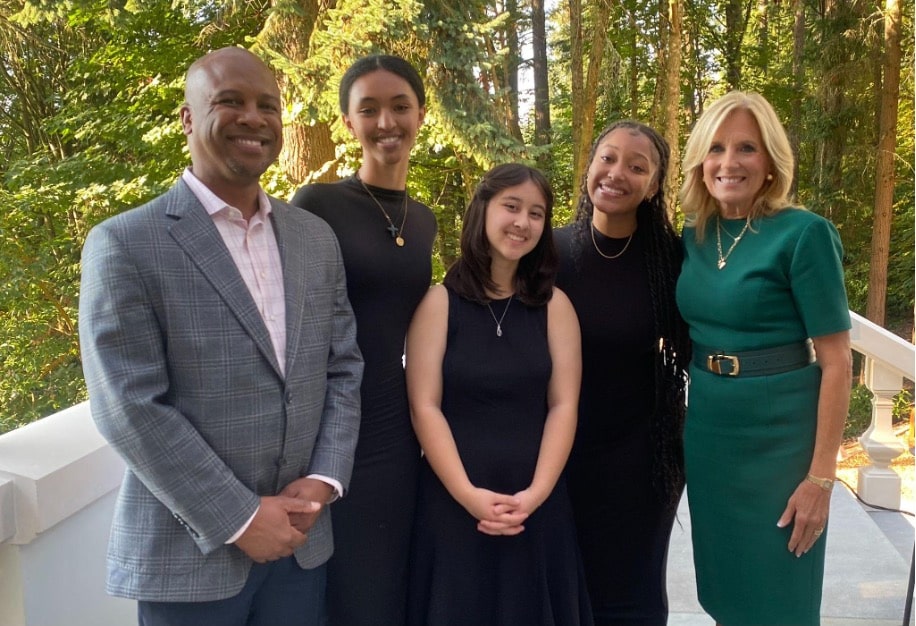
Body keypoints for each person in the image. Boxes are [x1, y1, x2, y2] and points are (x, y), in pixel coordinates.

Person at [78, 46, 363, 625]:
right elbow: (128, 405)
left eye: (268, 105)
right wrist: (237, 516)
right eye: (229, 102)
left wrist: (325, 480)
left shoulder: (314, 238)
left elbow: (343, 366)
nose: (254, 118)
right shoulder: (125, 243)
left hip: (302, 545)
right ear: (187, 117)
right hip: (191, 557)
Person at [676, 91, 852, 625]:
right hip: (710, 433)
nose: (729, 162)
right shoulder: (694, 237)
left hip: (780, 442)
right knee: (727, 593)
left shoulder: (804, 234)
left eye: (746, 148)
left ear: (771, 163)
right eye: (717, 148)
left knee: (781, 597)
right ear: (700, 161)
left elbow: (839, 362)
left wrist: (822, 478)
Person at [405, 163, 592, 626]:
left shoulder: (556, 307)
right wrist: (468, 495)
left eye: (536, 213)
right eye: (511, 206)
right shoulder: (438, 303)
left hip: (536, 506)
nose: (522, 222)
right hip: (454, 504)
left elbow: (564, 404)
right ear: (483, 210)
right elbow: (424, 406)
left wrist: (536, 494)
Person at [290, 54, 437, 626]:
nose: (386, 122)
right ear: (348, 122)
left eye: (400, 106)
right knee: (343, 590)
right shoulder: (317, 206)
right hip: (330, 426)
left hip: (397, 426)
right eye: (368, 109)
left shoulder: (423, 220)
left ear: (420, 114)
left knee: (388, 581)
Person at [554, 121, 690, 626]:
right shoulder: (549, 252)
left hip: (643, 459)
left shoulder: (672, 259)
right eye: (607, 159)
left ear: (654, 185)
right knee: (568, 587)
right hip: (559, 455)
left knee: (632, 596)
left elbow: (718, 331)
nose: (617, 173)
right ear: (589, 166)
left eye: (637, 166)